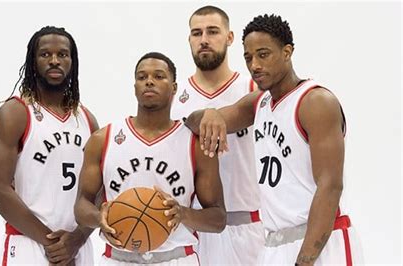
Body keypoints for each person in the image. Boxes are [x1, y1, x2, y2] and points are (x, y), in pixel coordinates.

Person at [186, 14, 363, 265]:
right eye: (248, 57)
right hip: (274, 243)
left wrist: (305, 260)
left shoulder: (315, 102)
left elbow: (330, 186)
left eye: (263, 54)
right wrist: (212, 113)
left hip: (321, 242)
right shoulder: (260, 102)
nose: (255, 65)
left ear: (287, 52)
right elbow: (193, 121)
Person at [74, 52, 226, 265]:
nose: (149, 82)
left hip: (177, 258)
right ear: (134, 86)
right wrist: (99, 219)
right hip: (118, 258)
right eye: (142, 77)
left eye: (159, 76)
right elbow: (81, 204)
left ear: (174, 87)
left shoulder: (193, 144)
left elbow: (218, 219)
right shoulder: (103, 139)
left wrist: (182, 214)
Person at [0, 26, 98, 265]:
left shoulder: (87, 119)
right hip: (30, 243)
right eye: (45, 54)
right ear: (32, 62)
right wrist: (54, 244)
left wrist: (76, 239)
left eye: (63, 54)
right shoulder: (15, 112)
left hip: (77, 246)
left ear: (72, 61)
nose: (55, 61)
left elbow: (100, 190)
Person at [171, 5, 264, 265]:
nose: (204, 40)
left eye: (213, 31)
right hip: (189, 226)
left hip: (245, 225)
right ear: (189, 39)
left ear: (230, 37)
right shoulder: (173, 98)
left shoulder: (254, 90)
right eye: (196, 33)